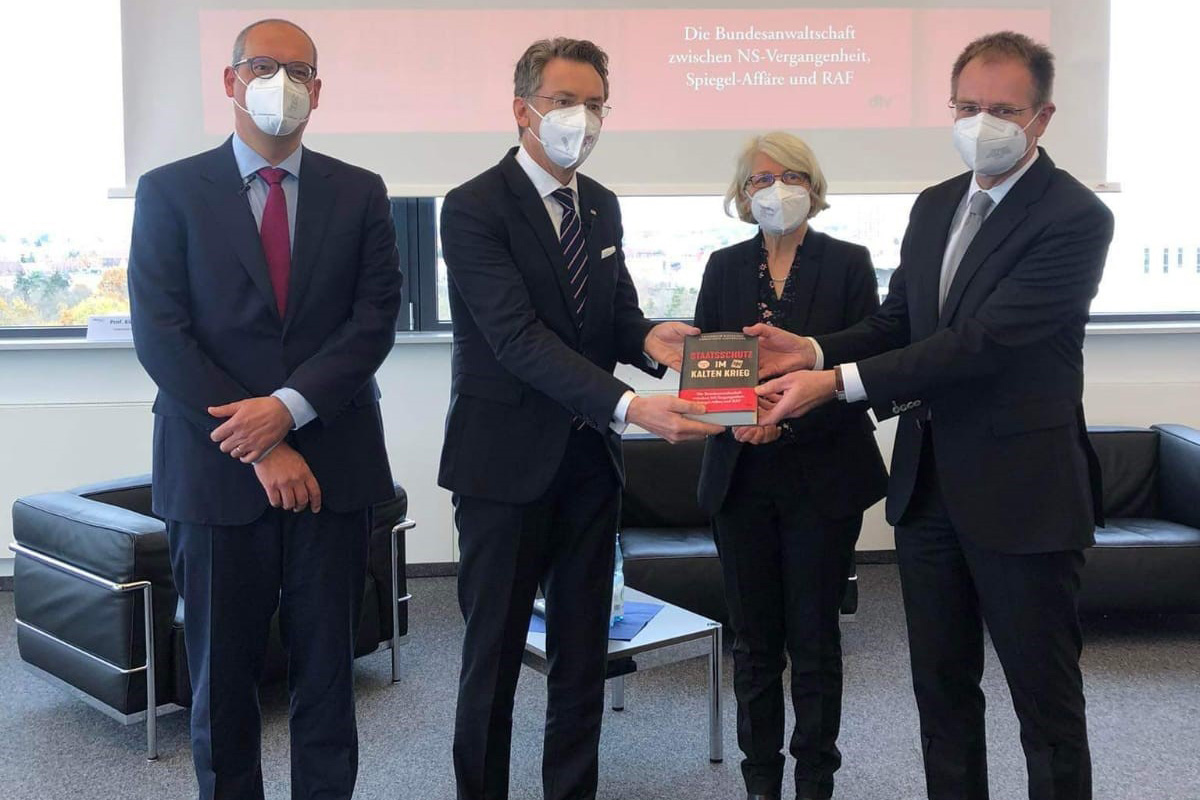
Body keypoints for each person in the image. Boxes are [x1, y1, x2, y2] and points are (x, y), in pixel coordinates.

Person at [748, 32, 1113, 800]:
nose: (983, 123)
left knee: (1044, 709)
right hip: (928, 492)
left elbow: (981, 345)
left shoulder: (1074, 216)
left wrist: (837, 385)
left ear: (1042, 117)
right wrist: (809, 351)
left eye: (1004, 110)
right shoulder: (935, 204)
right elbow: (900, 324)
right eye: (968, 107)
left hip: (1025, 496)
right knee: (942, 698)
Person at [438, 36, 723, 800]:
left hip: (588, 465)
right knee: (492, 659)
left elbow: (612, 317)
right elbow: (516, 338)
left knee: (580, 656)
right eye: (565, 101)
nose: (581, 118)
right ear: (522, 108)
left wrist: (653, 341)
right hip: (502, 467)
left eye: (594, 103)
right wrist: (631, 405)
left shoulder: (599, 203)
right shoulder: (472, 207)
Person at [127, 18, 402, 800]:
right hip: (213, 471)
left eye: (299, 71)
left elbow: (374, 318)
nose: (281, 83)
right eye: (262, 66)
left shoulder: (360, 191)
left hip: (334, 466)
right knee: (221, 680)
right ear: (229, 82)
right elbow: (162, 334)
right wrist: (259, 440)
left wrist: (287, 411)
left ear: (318, 91)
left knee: (326, 677)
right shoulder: (170, 191)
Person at [693, 132, 888, 800]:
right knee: (752, 642)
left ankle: (814, 780)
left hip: (823, 477)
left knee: (814, 638)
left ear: (813, 185)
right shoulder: (722, 267)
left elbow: (869, 353)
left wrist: (792, 410)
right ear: (742, 195)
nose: (775, 189)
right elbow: (709, 368)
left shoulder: (848, 262)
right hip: (741, 476)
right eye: (760, 178)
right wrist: (741, 418)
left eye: (790, 174)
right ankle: (759, 780)